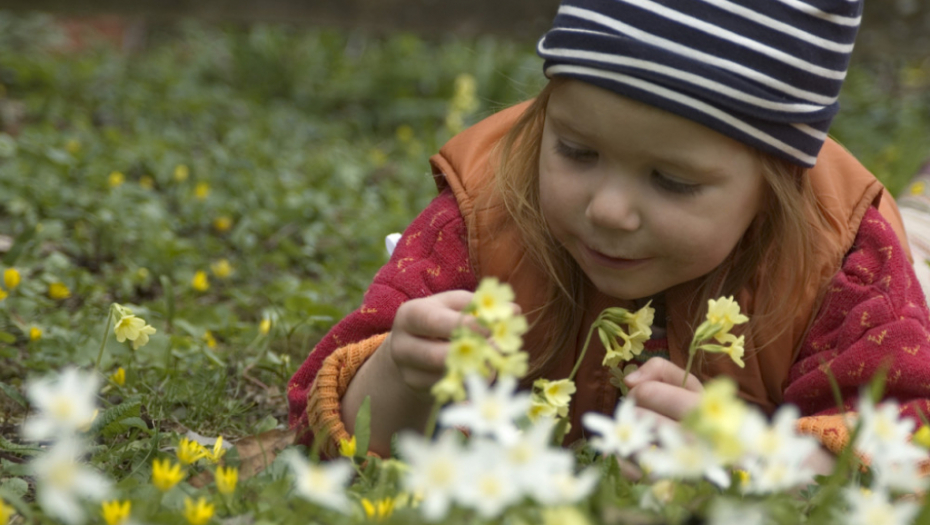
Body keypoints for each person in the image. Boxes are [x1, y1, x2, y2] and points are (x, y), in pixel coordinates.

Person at [287, 0, 930, 467]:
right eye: (576, 151)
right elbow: (329, 430)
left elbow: (906, 436)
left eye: (672, 182)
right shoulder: (486, 210)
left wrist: (756, 459)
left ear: (777, 188)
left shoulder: (843, 258)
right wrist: (402, 371)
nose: (609, 211)